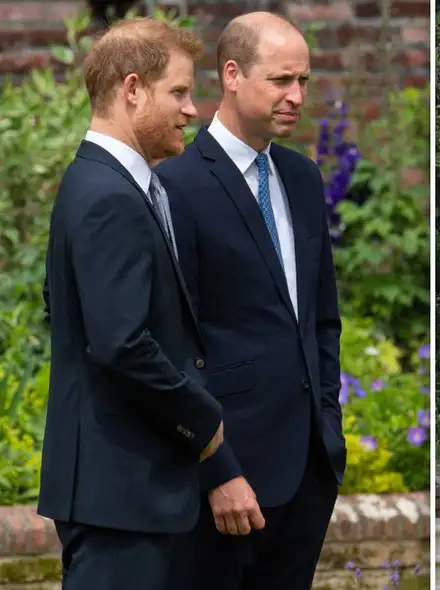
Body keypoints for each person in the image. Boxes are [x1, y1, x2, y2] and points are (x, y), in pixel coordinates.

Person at [155, 12, 345, 589]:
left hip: (309, 470)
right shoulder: (176, 185)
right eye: (281, 80)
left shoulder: (302, 177)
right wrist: (216, 469)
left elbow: (321, 319)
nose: (296, 96)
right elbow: (174, 344)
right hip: (227, 476)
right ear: (232, 75)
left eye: (303, 82)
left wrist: (329, 430)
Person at [38, 18, 225, 590]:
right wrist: (204, 421)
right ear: (133, 88)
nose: (193, 110)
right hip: (120, 496)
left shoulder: (106, 183)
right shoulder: (107, 196)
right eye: (179, 92)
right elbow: (120, 343)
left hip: (125, 490)